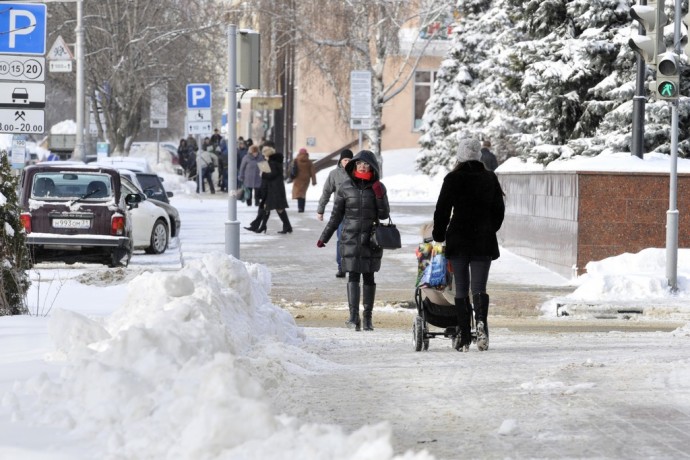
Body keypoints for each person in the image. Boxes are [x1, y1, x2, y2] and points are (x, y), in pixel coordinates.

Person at [432, 138, 505, 352]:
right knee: (479, 288)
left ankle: (463, 334)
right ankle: (481, 325)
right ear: (478, 156)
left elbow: (442, 210)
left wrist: (438, 235)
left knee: (461, 289)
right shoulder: (490, 178)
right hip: (483, 240)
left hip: (459, 239)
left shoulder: (452, 178)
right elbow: (499, 210)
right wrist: (490, 228)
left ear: (460, 155)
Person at [317, 150, 390, 331]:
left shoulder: (378, 187)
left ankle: (367, 319)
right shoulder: (345, 187)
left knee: (369, 276)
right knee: (352, 276)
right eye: (359, 164)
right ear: (354, 165)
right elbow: (336, 216)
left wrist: (379, 196)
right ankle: (353, 317)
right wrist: (324, 237)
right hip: (350, 238)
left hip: (370, 239)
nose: (362, 167)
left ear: (372, 167)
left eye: (366, 164)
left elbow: (384, 215)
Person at [317, 149, 353, 278]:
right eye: (345, 160)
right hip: (340, 213)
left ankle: (354, 267)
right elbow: (326, 192)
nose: (347, 162)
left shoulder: (356, 173)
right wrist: (320, 210)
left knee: (355, 241)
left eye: (349, 160)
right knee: (341, 240)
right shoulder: (334, 174)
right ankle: (341, 267)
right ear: (340, 161)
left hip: (355, 212)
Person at [245, 144, 292, 234]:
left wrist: (262, 174)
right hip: (273, 188)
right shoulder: (272, 162)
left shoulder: (273, 163)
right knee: (271, 207)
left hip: (275, 189)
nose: (262, 155)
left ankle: (263, 226)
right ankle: (262, 226)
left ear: (267, 154)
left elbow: (271, 175)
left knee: (274, 208)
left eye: (264, 153)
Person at [291, 147, 317, 212]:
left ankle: (300, 207)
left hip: (297, 178)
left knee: (298, 193)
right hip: (306, 179)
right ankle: (302, 208)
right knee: (303, 193)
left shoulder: (296, 160)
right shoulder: (309, 162)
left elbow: (291, 168)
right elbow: (312, 171)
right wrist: (314, 181)